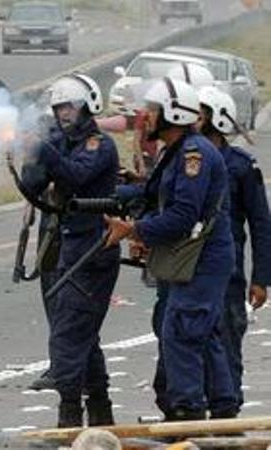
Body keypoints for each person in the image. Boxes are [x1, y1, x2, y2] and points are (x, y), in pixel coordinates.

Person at [106, 77, 238, 420]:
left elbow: (182, 216)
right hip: (196, 257)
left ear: (171, 114)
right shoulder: (175, 151)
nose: (144, 117)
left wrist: (134, 229)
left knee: (181, 329)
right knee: (202, 332)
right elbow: (149, 193)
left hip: (202, 257)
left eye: (151, 110)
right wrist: (104, 196)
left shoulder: (194, 155)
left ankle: (188, 411)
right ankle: (224, 409)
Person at [21, 73, 120, 427]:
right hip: (72, 246)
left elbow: (76, 176)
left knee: (68, 332)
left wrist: (44, 148)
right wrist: (32, 155)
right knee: (82, 334)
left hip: (93, 248)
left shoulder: (98, 144)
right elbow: (34, 187)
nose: (64, 114)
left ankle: (69, 416)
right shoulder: (61, 143)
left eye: (69, 107)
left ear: (87, 106)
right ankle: (100, 413)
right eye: (59, 108)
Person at [196, 86, 271, 409]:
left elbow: (260, 223)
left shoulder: (241, 166)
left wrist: (262, 278)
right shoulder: (184, 159)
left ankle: (227, 408)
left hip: (229, 272)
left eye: (199, 115)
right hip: (187, 269)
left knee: (227, 341)